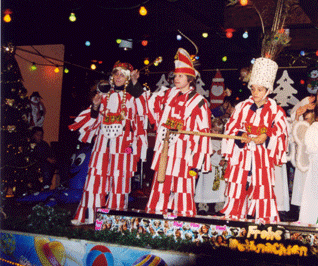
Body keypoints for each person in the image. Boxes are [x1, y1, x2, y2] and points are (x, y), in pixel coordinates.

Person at [69, 61, 147, 225]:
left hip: (123, 146)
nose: (118, 77)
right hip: (103, 144)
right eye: (116, 74)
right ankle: (89, 216)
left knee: (119, 181)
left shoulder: (133, 98)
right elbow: (94, 120)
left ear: (127, 78)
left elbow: (143, 111)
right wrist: (95, 107)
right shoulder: (104, 96)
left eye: (122, 75)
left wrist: (134, 82)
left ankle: (114, 220)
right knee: (95, 179)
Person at [220, 57, 289, 224]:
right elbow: (230, 127)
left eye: (259, 89)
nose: (255, 93)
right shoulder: (242, 107)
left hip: (262, 158)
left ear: (267, 90)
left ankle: (264, 218)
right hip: (242, 155)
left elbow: (282, 132)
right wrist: (240, 134)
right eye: (253, 89)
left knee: (262, 187)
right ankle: (233, 216)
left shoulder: (276, 111)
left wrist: (266, 136)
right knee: (237, 184)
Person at [145, 48, 212, 217]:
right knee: (161, 183)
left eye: (180, 76)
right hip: (166, 149)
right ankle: (155, 214)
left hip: (185, 154)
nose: (176, 79)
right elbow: (151, 106)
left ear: (190, 79)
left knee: (183, 187)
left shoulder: (199, 102)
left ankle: (183, 218)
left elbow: (203, 133)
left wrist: (197, 162)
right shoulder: (169, 95)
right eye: (175, 76)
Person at [298, 100, 318, 225]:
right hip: (317, 165)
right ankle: (311, 220)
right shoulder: (313, 128)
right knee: (315, 194)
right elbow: (310, 148)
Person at [194, 117, 226, 215]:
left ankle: (219, 207)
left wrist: (224, 158)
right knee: (204, 188)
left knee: (221, 189)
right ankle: (203, 206)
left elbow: (227, 155)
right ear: (211, 129)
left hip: (218, 169)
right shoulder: (206, 139)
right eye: (215, 130)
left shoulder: (223, 141)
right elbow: (200, 154)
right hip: (208, 169)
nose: (216, 133)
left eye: (219, 131)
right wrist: (208, 154)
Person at [29, 127, 57, 191]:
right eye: (37, 135)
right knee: (45, 167)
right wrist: (47, 158)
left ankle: (50, 184)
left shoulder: (44, 144)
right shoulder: (31, 144)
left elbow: (50, 152)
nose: (40, 137)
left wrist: (52, 158)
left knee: (57, 165)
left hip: (46, 162)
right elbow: (35, 154)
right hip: (36, 163)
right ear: (33, 135)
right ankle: (45, 185)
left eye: (41, 135)